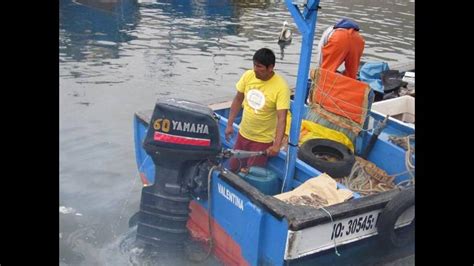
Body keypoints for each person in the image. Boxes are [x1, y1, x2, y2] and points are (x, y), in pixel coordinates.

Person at [225, 48, 290, 173]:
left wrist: (276, 145)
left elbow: (282, 118)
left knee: (251, 173)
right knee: (233, 166)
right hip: (243, 134)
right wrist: (229, 124)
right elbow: (238, 99)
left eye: (259, 66)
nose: (255, 69)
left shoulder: (281, 87)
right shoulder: (248, 76)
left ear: (270, 67)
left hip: (262, 141)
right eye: (254, 64)